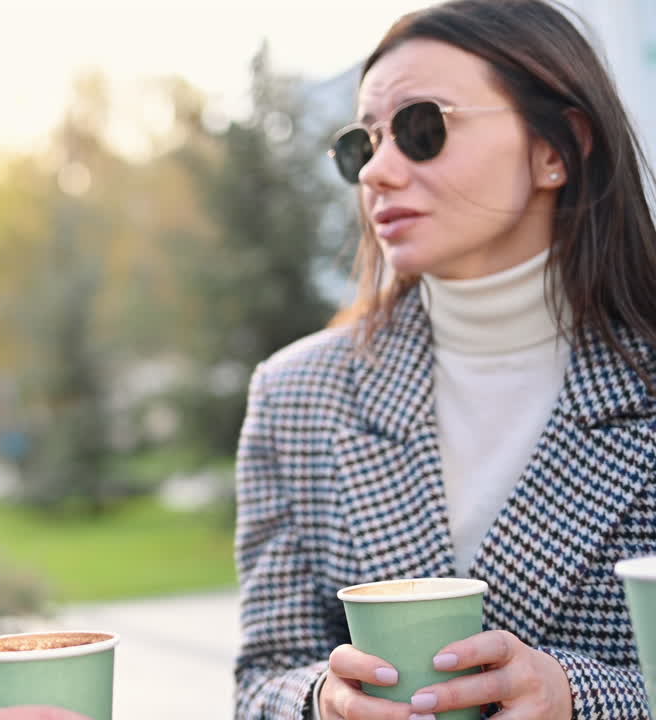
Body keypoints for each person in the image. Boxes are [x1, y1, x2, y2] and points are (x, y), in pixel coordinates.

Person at [233, 1, 656, 718]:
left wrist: (581, 698)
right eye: (361, 146)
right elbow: (260, 680)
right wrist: (321, 701)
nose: (377, 173)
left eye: (421, 129)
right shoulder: (295, 395)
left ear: (559, 148)